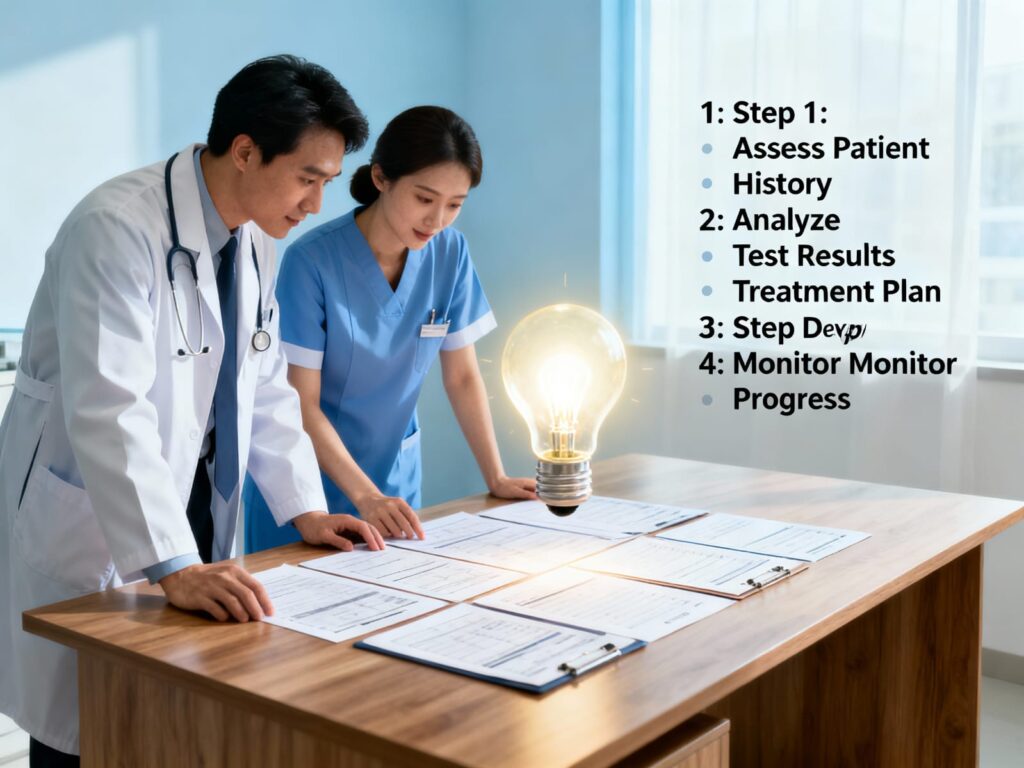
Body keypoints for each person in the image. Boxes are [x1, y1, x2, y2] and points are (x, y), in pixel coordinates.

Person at [0, 55, 387, 767]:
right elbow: (108, 407)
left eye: (327, 183)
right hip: (102, 530)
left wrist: (306, 508)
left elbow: (265, 384)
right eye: (308, 177)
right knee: (84, 734)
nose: (316, 204)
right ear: (245, 152)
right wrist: (173, 564)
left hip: (195, 517)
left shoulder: (255, 240)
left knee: (171, 728)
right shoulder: (114, 227)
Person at [243, 106, 535, 551]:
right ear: (381, 178)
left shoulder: (449, 254)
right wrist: (365, 496)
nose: (437, 220)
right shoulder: (312, 262)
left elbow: (462, 376)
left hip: (394, 489)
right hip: (309, 494)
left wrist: (494, 475)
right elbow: (300, 401)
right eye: (424, 198)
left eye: (454, 205)